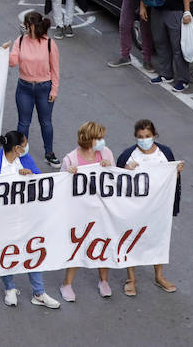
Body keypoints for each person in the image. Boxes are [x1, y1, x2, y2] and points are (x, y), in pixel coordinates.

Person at [0, 131, 61, 309]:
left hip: (26, 217)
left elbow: (40, 181)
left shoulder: (26, 160)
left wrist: (30, 175)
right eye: (24, 144)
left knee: (32, 250)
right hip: (1, 219)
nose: (26, 148)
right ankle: (10, 288)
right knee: (6, 252)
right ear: (17, 148)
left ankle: (39, 293)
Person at [117, 119, 186, 292]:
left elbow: (173, 181)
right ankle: (130, 279)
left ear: (154, 135)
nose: (144, 139)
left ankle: (159, 276)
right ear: (135, 137)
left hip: (159, 208)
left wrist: (177, 172)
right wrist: (125, 170)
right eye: (140, 137)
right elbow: (117, 183)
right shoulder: (128, 156)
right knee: (131, 239)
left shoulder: (165, 153)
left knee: (159, 239)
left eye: (147, 136)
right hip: (134, 208)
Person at [59, 122, 115, 301]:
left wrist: (109, 168)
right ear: (89, 139)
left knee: (103, 243)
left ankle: (103, 281)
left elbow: (115, 179)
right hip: (79, 211)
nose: (102, 141)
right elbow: (60, 186)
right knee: (77, 246)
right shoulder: (70, 159)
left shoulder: (106, 153)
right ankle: (67, 284)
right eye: (98, 138)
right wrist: (68, 174)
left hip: (101, 209)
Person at [7, 11, 60, 167]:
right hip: (24, 87)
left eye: (26, 25)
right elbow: (12, 62)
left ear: (33, 26)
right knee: (23, 123)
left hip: (44, 87)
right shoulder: (20, 41)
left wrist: (54, 90)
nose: (23, 28)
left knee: (46, 123)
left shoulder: (50, 43)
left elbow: (55, 69)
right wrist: (7, 52)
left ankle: (49, 153)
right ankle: (20, 153)